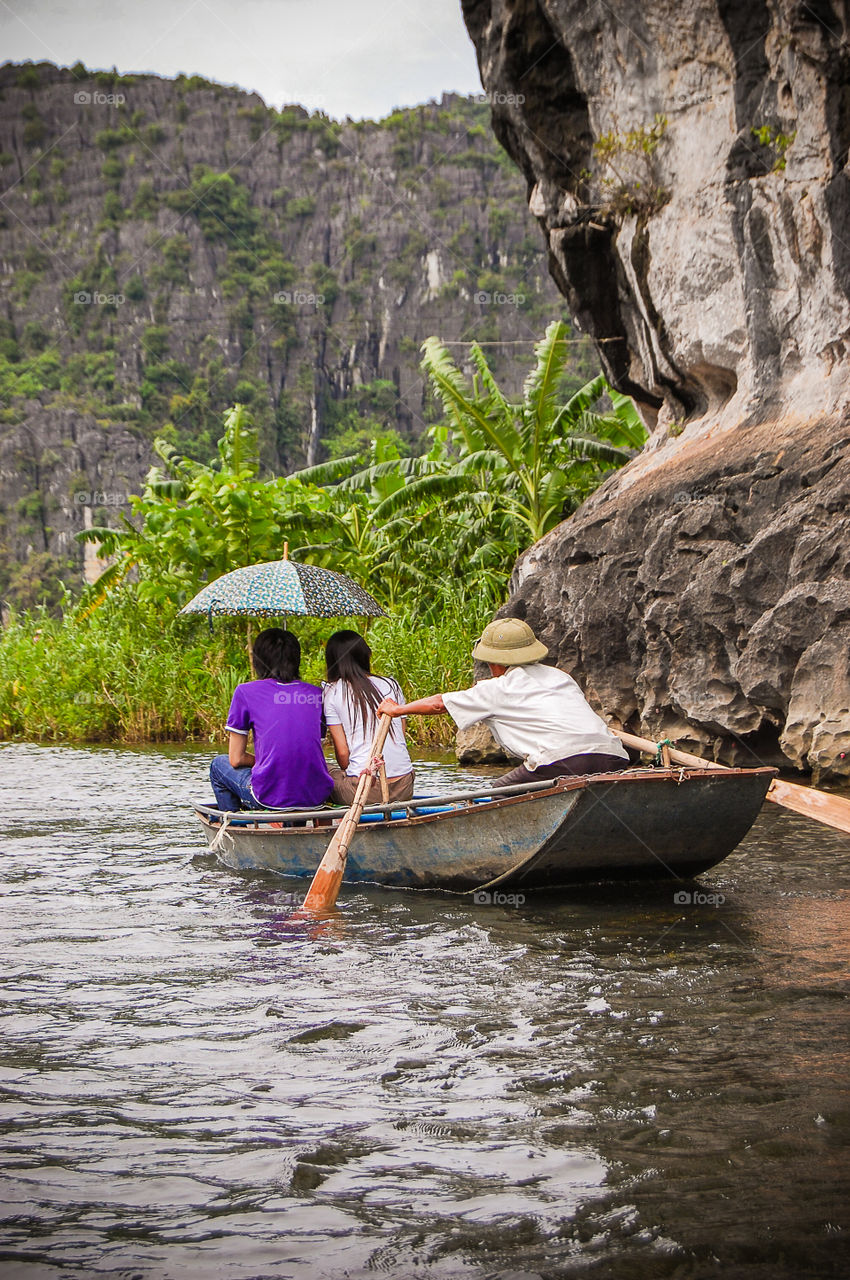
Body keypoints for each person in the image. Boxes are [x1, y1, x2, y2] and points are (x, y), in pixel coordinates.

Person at [376, 617, 628, 787]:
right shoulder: (560, 676)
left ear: (495, 663)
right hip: (613, 756)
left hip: (562, 760)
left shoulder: (497, 688)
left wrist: (397, 709)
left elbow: (439, 704)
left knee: (498, 793)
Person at [209, 627, 333, 812]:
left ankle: (234, 824)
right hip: (316, 796)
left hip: (269, 797)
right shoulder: (316, 694)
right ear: (296, 660)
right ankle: (292, 822)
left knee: (218, 765)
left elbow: (236, 759)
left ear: (259, 661)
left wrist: (264, 761)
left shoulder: (245, 692)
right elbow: (306, 751)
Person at [322, 629, 415, 804]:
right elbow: (400, 736)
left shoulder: (331, 692)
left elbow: (343, 754)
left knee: (322, 770)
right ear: (365, 655)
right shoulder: (392, 684)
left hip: (364, 790)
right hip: (404, 786)